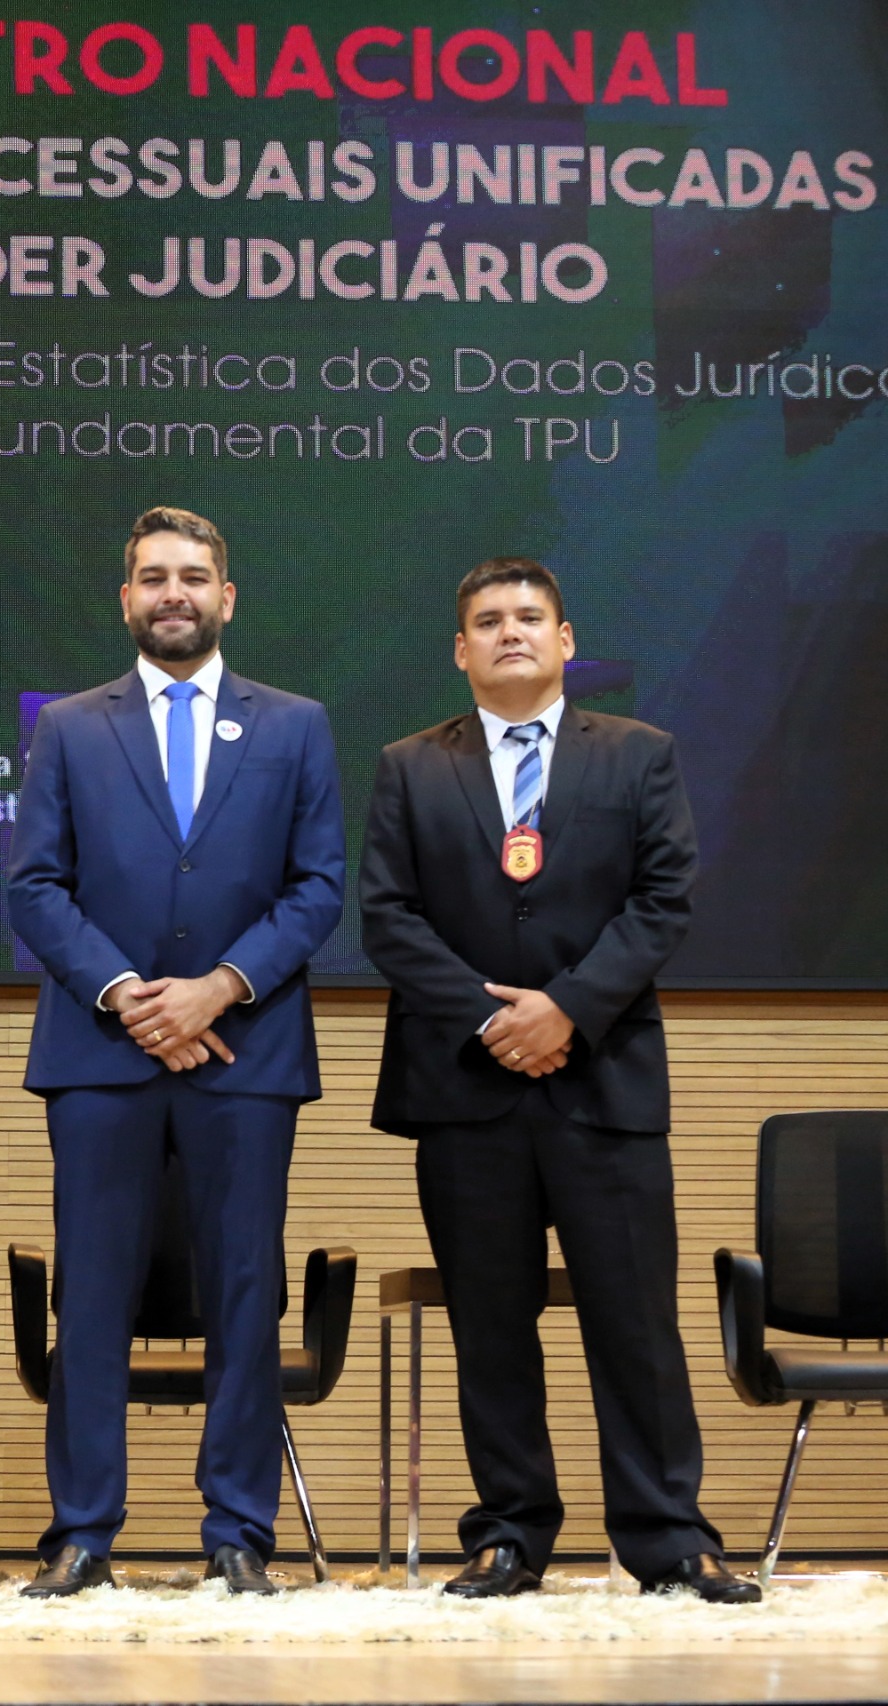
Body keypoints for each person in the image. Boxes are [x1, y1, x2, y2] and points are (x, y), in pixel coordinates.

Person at [360, 557, 757, 1604]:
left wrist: (566, 1011)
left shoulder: (639, 754)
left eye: (529, 616)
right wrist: (492, 1018)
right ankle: (508, 1534)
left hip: (603, 1080)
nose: (510, 632)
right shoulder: (409, 765)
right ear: (460, 649)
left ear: (565, 639)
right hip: (466, 1085)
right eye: (488, 620)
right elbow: (387, 917)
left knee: (635, 1322)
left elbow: (663, 901)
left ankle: (669, 1538)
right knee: (489, 1325)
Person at [4, 506, 345, 1598]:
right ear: (125, 599)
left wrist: (216, 990)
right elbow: (34, 885)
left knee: (243, 1289)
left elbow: (318, 887)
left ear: (225, 596)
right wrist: (126, 995)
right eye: (153, 576)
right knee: (91, 1293)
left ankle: (238, 1529)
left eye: (193, 576)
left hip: (246, 1050)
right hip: (99, 1053)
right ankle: (82, 1532)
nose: (173, 593)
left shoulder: (295, 725)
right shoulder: (70, 726)